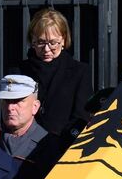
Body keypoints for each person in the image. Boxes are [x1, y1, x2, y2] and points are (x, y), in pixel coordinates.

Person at [19, 8, 92, 140]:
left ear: (63, 40)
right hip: (24, 148)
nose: (46, 49)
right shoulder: (19, 71)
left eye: (52, 42)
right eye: (41, 42)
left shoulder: (79, 71)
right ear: (32, 41)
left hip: (63, 145)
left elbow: (82, 116)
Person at [0, 74, 65, 172]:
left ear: (35, 107)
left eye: (18, 101)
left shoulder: (49, 145)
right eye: (7, 101)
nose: (10, 108)